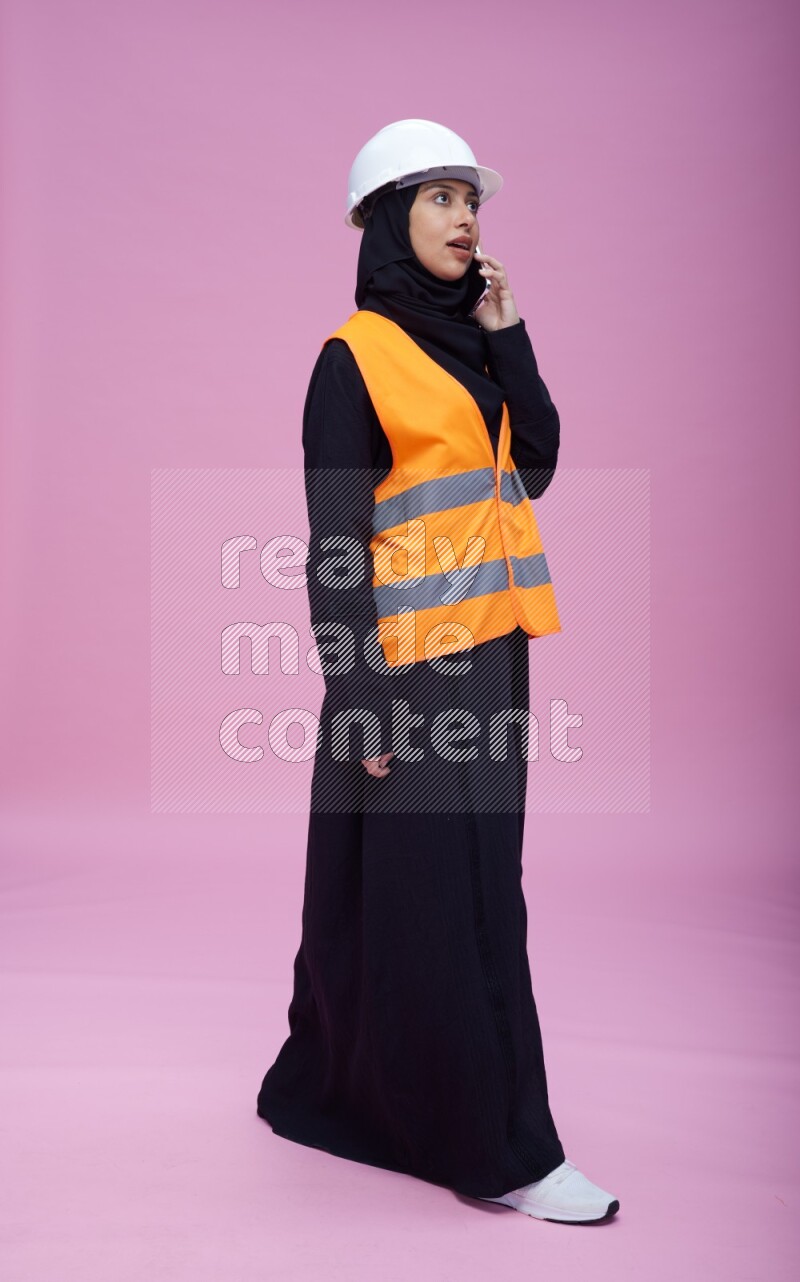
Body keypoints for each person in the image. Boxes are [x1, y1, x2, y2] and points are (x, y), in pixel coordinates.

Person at [256, 119, 620, 1224]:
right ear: (383, 223)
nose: (466, 218)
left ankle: (359, 1095)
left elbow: (539, 464)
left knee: (444, 890)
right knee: (448, 897)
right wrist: (355, 693)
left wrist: (510, 337)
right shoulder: (352, 359)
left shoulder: (470, 342)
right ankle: (499, 1146)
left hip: (490, 655)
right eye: (439, 198)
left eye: (472, 199)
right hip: (410, 675)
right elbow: (333, 543)